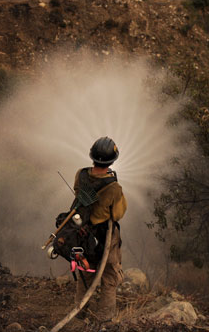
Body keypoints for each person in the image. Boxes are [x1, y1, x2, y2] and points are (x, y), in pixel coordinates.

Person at [73, 136, 127, 326]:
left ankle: (79, 313)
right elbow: (118, 213)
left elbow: (79, 195)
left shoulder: (80, 174)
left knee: (85, 271)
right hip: (104, 237)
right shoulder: (114, 187)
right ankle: (105, 319)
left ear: (92, 157)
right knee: (109, 276)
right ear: (112, 161)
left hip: (83, 233)